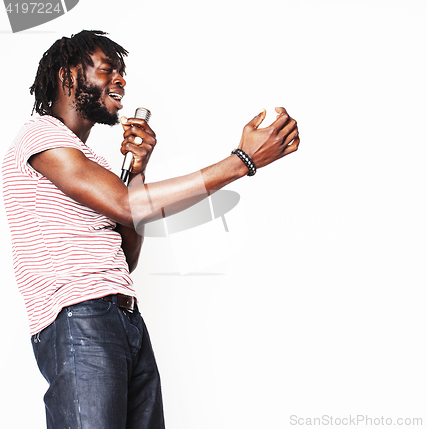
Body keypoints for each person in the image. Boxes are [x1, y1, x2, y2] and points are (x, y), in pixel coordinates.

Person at [2, 30, 300, 429]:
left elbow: (128, 254)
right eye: (107, 70)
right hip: (79, 319)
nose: (121, 80)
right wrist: (242, 160)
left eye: (123, 73)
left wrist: (137, 173)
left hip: (122, 320)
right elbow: (128, 206)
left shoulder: (93, 165)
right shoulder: (42, 135)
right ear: (67, 76)